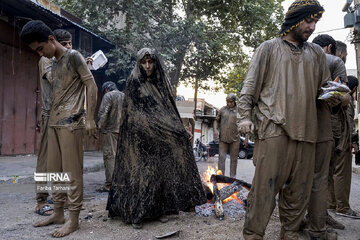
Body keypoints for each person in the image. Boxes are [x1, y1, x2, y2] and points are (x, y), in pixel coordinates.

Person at [237, 1, 331, 239]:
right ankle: (253, 235)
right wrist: (244, 117)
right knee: (264, 192)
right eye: (309, 21)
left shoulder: (317, 54)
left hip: (308, 133)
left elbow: (325, 92)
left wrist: (338, 95)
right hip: (274, 130)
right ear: (295, 19)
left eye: (315, 23)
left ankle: (289, 234)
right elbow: (250, 87)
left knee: (298, 195)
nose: (312, 27)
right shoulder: (268, 48)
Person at [106, 48, 206, 229]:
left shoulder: (161, 82)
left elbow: (168, 110)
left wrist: (179, 130)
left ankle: (159, 211)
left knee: (159, 173)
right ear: (139, 63)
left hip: (159, 136)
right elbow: (134, 113)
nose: (147, 66)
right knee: (142, 175)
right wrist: (161, 128)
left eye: (150, 62)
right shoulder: (134, 81)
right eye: (144, 62)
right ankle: (138, 214)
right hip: (139, 137)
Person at [20, 20, 98, 238]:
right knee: (56, 172)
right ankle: (58, 213)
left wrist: (90, 117)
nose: (40, 53)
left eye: (40, 48)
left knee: (72, 174)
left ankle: (73, 219)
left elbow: (91, 84)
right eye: (36, 51)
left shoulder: (74, 57)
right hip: (53, 122)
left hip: (71, 123)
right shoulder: (52, 62)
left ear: (51, 40)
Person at [306, 34, 347, 238]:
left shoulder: (299, 57)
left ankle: (301, 219)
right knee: (323, 175)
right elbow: (344, 99)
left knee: (300, 172)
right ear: (330, 47)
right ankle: (319, 220)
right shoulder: (335, 61)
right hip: (325, 124)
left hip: (299, 122)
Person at [96, 81, 124, 192]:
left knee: (109, 157)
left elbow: (103, 112)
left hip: (110, 131)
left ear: (106, 89)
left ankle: (110, 185)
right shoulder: (124, 95)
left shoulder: (109, 95)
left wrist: (98, 127)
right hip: (123, 132)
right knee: (120, 157)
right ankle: (121, 182)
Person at [34, 55, 53, 216]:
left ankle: (60, 197)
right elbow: (56, 80)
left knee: (61, 160)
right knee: (44, 160)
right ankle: (41, 201)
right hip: (49, 115)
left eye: (70, 43)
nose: (68, 47)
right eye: (65, 44)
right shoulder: (46, 60)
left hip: (62, 116)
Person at [214, 93, 240, 177]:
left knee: (234, 159)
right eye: (227, 101)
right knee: (221, 158)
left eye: (230, 102)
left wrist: (246, 137)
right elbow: (216, 121)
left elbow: (244, 123)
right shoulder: (222, 110)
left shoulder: (239, 110)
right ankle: (221, 177)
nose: (229, 103)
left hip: (235, 139)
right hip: (223, 138)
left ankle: (232, 178)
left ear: (234, 101)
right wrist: (215, 130)